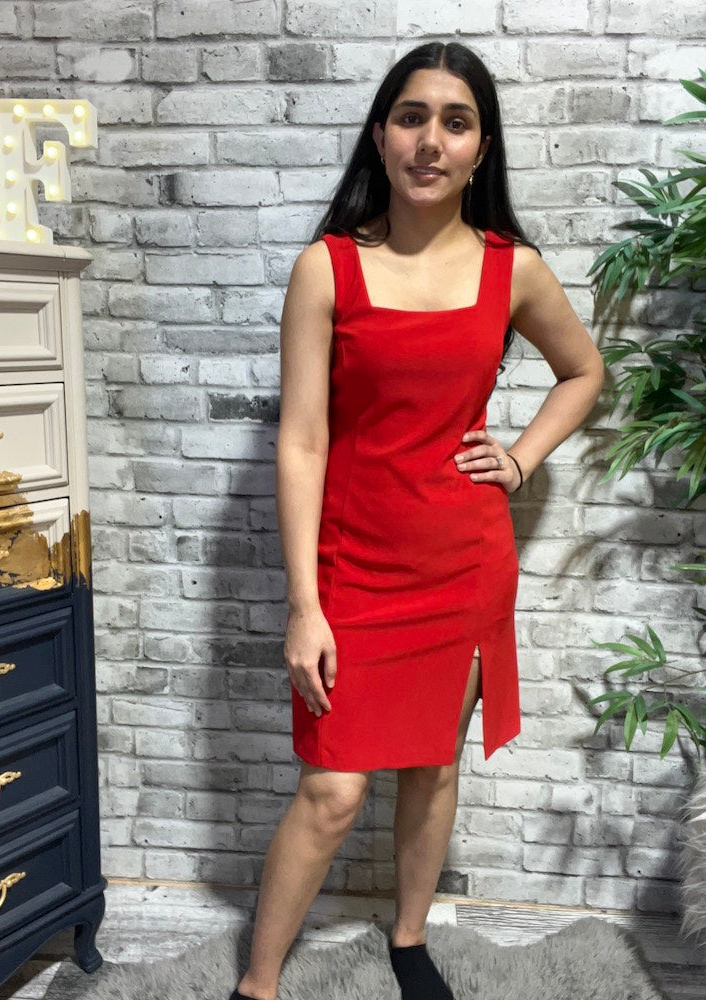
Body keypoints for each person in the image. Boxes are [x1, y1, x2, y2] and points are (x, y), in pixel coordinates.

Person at [229, 39, 605, 1000]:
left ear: (481, 148)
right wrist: (304, 606)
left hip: (463, 565)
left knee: (433, 769)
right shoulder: (327, 268)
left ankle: (407, 940)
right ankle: (257, 985)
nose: (430, 140)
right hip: (352, 570)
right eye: (411, 117)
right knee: (331, 791)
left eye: (455, 122)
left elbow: (584, 371)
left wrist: (520, 457)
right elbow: (302, 441)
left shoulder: (514, 270)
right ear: (381, 135)